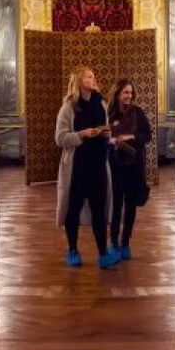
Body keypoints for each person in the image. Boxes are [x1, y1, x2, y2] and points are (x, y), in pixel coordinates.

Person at [55, 66, 119, 268]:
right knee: (72, 210)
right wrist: (82, 134)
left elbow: (107, 132)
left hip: (98, 165)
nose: (93, 79)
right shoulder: (68, 108)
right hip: (77, 167)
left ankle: (103, 254)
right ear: (79, 80)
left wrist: (106, 134)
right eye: (89, 76)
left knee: (99, 209)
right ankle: (73, 250)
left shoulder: (101, 104)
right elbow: (60, 138)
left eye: (93, 76)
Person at [107, 79, 152, 261]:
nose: (129, 96)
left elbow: (147, 135)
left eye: (131, 93)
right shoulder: (109, 113)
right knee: (116, 206)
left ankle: (125, 243)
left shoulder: (137, 112)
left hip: (134, 166)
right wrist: (111, 141)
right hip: (116, 165)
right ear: (118, 93)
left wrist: (130, 137)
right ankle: (113, 243)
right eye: (125, 92)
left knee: (131, 207)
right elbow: (103, 135)